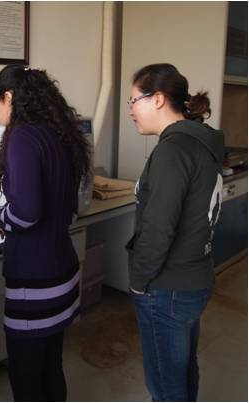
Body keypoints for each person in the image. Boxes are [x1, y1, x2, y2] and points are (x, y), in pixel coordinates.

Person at [0, 64, 92, 401]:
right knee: (51, 365)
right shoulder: (61, 134)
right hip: (62, 270)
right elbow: (66, 204)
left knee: (26, 375)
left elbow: (27, 212)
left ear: (9, 97)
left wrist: (1, 218)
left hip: (35, 279)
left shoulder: (23, 136)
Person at [126, 63, 224, 402]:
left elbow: (158, 227)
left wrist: (139, 281)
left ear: (157, 99)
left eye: (134, 100)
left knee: (166, 384)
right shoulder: (200, 142)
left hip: (167, 286)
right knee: (182, 369)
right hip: (195, 276)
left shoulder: (173, 149)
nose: (130, 110)